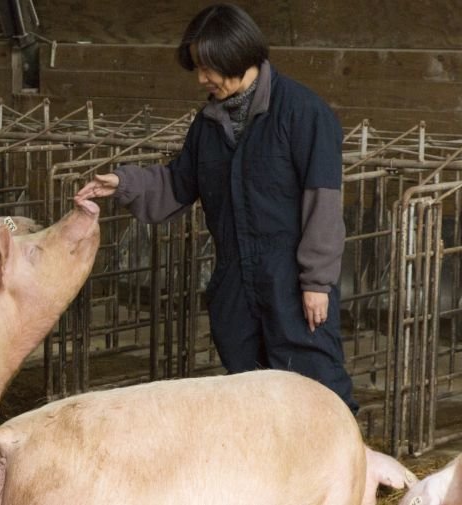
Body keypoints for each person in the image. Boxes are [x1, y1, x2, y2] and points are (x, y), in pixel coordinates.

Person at [75, 3, 358, 413]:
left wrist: (316, 282)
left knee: (318, 394)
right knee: (249, 396)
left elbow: (323, 205)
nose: (201, 78)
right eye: (197, 67)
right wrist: (124, 183)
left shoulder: (303, 113)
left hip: (291, 284)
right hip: (235, 283)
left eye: (208, 67)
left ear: (238, 57)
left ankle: (351, 473)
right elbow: (178, 183)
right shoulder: (208, 124)